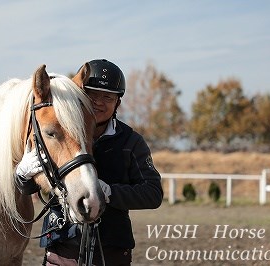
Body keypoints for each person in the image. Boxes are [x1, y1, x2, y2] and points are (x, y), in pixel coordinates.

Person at [15, 59, 163, 265]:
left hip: (110, 250)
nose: (98, 102)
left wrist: (110, 192)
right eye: (91, 95)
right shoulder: (62, 134)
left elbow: (152, 194)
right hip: (62, 248)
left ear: (117, 102)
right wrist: (22, 176)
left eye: (107, 97)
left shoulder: (131, 141)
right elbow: (32, 186)